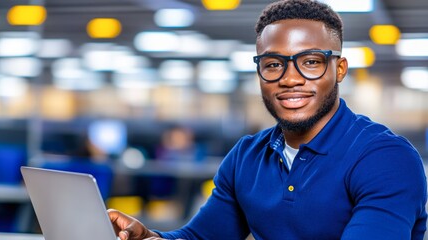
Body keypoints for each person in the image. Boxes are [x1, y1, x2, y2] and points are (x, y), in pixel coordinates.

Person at [108, 0, 427, 239]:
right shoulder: (247, 156)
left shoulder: (385, 159)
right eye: (274, 64)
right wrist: (150, 237)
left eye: (311, 62)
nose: (290, 79)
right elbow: (201, 238)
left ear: (339, 69)